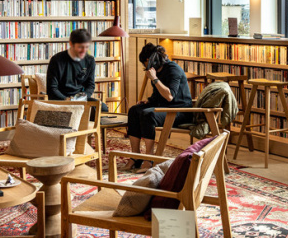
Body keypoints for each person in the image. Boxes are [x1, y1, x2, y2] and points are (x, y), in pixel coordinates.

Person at [124, 43, 193, 171]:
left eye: (145, 63)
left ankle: (149, 158)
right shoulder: (157, 70)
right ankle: (135, 156)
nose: (145, 67)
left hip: (180, 110)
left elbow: (169, 96)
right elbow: (158, 95)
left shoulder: (173, 69)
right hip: (164, 107)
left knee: (148, 114)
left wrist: (155, 79)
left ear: (149, 60)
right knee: (134, 110)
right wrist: (149, 102)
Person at [46, 28, 108, 113]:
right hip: (61, 100)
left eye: (86, 47)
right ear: (71, 44)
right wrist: (66, 100)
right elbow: (52, 88)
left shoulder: (90, 60)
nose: (84, 51)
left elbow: (90, 86)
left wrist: (82, 98)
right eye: (80, 47)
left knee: (102, 108)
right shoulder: (56, 60)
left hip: (80, 100)